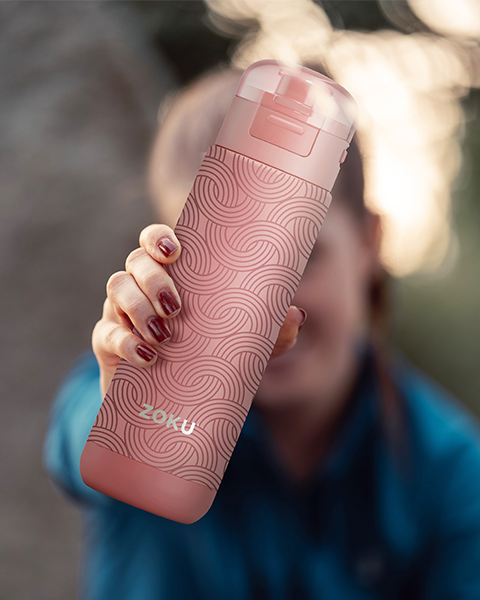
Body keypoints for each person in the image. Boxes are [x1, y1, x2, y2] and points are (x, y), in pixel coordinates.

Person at [44, 66, 480, 600]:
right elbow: (73, 440)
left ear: (370, 243)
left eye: (302, 255)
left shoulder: (452, 474)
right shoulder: (132, 384)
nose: (264, 312)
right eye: (213, 263)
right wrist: (127, 409)